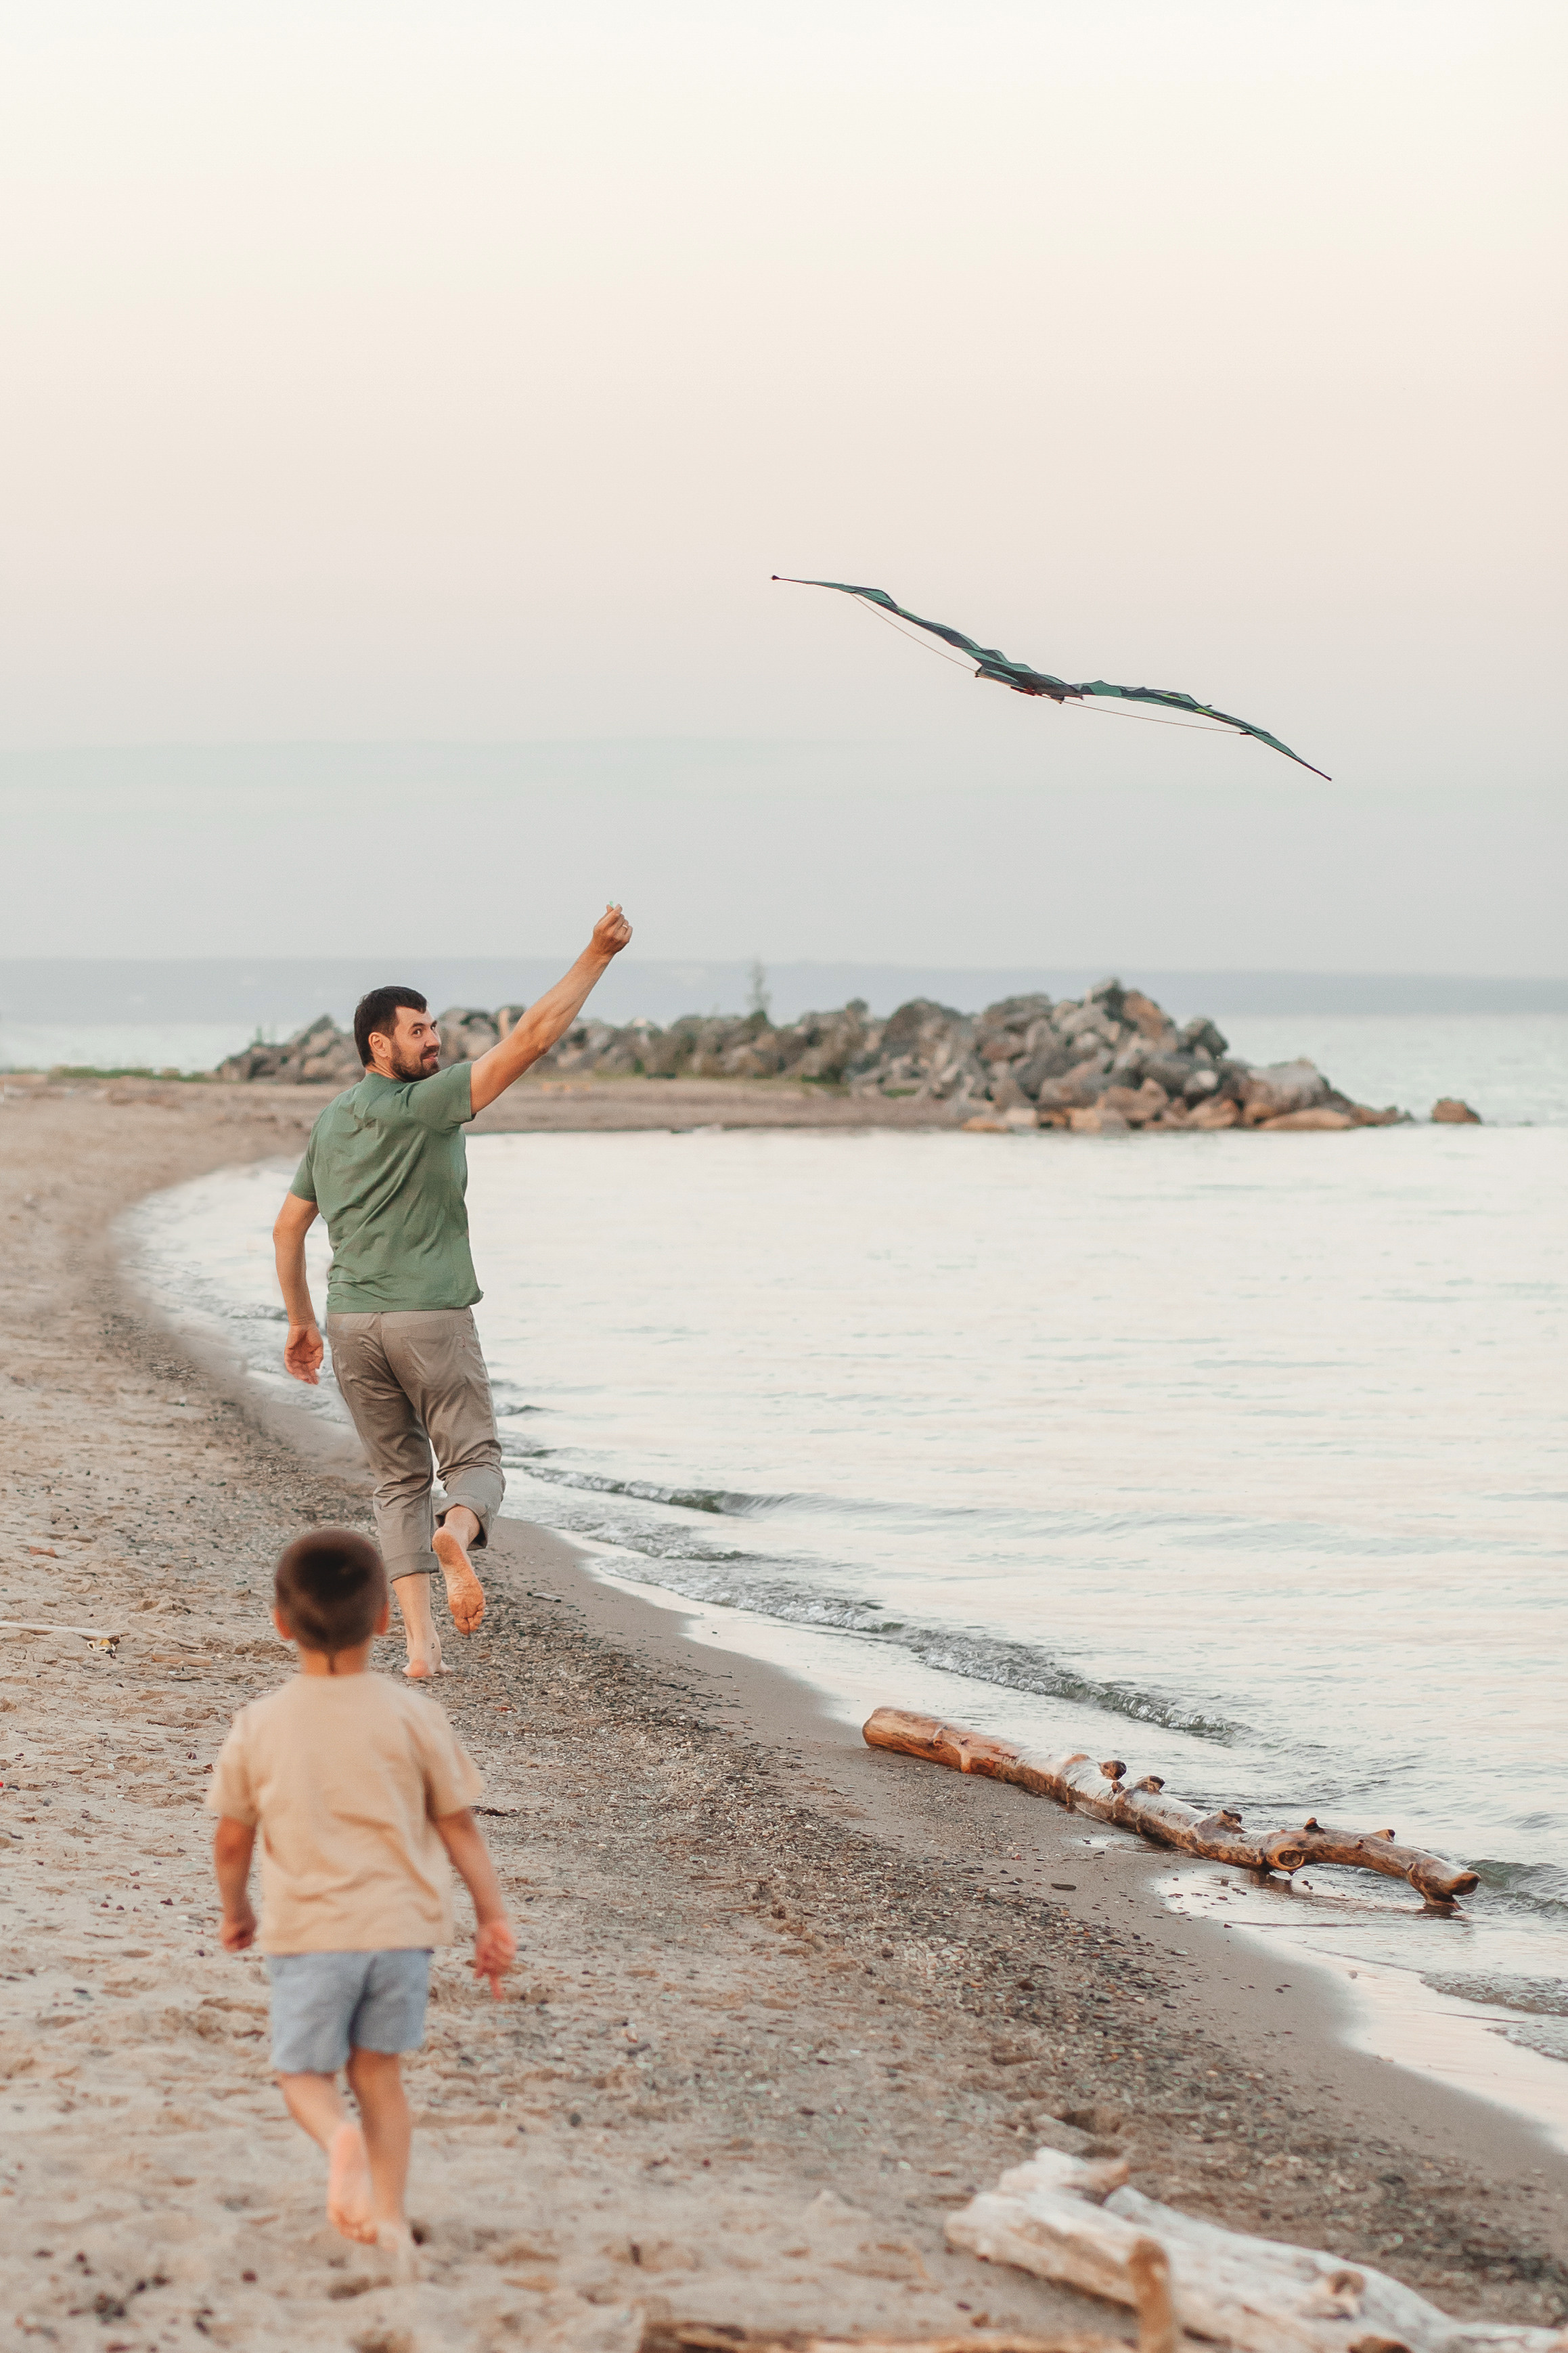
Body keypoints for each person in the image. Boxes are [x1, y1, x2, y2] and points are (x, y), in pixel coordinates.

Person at [273, 903, 633, 1676]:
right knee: (474, 1462)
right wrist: (596, 953)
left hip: (352, 1321)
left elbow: (287, 1228)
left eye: (434, 1027)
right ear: (379, 1043)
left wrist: (303, 1322)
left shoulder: (332, 1121)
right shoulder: (429, 1106)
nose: (434, 1040)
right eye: (419, 1031)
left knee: (395, 1479)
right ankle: (457, 1532)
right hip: (428, 1317)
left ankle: (421, 1649)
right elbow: (533, 1038)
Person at [209, 1526, 516, 2272]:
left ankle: (336, 2141)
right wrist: (491, 1913)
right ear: (385, 1616)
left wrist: (237, 1910)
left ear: (281, 1622)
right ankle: (389, 2216)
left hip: (311, 1930)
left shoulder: (261, 1725)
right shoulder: (415, 1716)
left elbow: (230, 1839)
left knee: (304, 2074)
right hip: (402, 1932)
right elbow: (459, 1827)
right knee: (379, 2075)